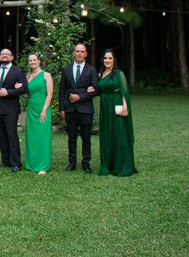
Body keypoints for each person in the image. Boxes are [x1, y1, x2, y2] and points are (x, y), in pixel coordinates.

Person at [0, 48, 28, 173]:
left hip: (11, 110)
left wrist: (8, 92)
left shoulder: (17, 71)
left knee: (11, 136)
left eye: (7, 54)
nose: (4, 56)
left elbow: (24, 88)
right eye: (2, 54)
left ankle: (16, 163)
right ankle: (5, 161)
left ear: (12, 57)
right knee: (1, 136)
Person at [58, 43, 98, 173]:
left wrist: (79, 97)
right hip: (70, 109)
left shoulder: (91, 70)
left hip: (86, 109)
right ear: (73, 53)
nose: (79, 53)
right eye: (77, 51)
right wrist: (62, 108)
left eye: (82, 51)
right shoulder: (66, 70)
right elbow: (62, 91)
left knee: (86, 138)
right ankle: (72, 163)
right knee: (72, 137)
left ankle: (86, 163)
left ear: (86, 54)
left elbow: (95, 90)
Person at [97, 49, 137, 177]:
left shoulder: (119, 74)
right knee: (107, 135)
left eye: (110, 58)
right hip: (105, 107)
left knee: (119, 134)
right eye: (105, 58)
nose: (107, 60)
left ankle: (122, 165)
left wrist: (125, 107)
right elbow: (100, 90)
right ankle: (107, 165)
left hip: (117, 104)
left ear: (114, 60)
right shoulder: (100, 74)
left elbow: (124, 92)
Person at [23, 53, 53, 174]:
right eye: (30, 61)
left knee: (42, 136)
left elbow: (50, 94)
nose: (32, 62)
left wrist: (44, 110)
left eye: (34, 60)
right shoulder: (28, 76)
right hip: (31, 109)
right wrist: (20, 88)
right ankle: (31, 163)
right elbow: (26, 95)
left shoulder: (46, 75)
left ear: (39, 61)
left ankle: (43, 166)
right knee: (32, 137)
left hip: (43, 109)